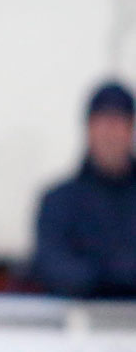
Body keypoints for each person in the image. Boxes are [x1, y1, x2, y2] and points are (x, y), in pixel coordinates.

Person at [30, 80, 136, 298]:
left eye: (118, 123)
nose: (110, 134)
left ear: (130, 129)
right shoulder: (59, 201)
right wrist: (109, 278)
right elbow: (53, 266)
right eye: (103, 123)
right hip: (78, 328)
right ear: (89, 128)